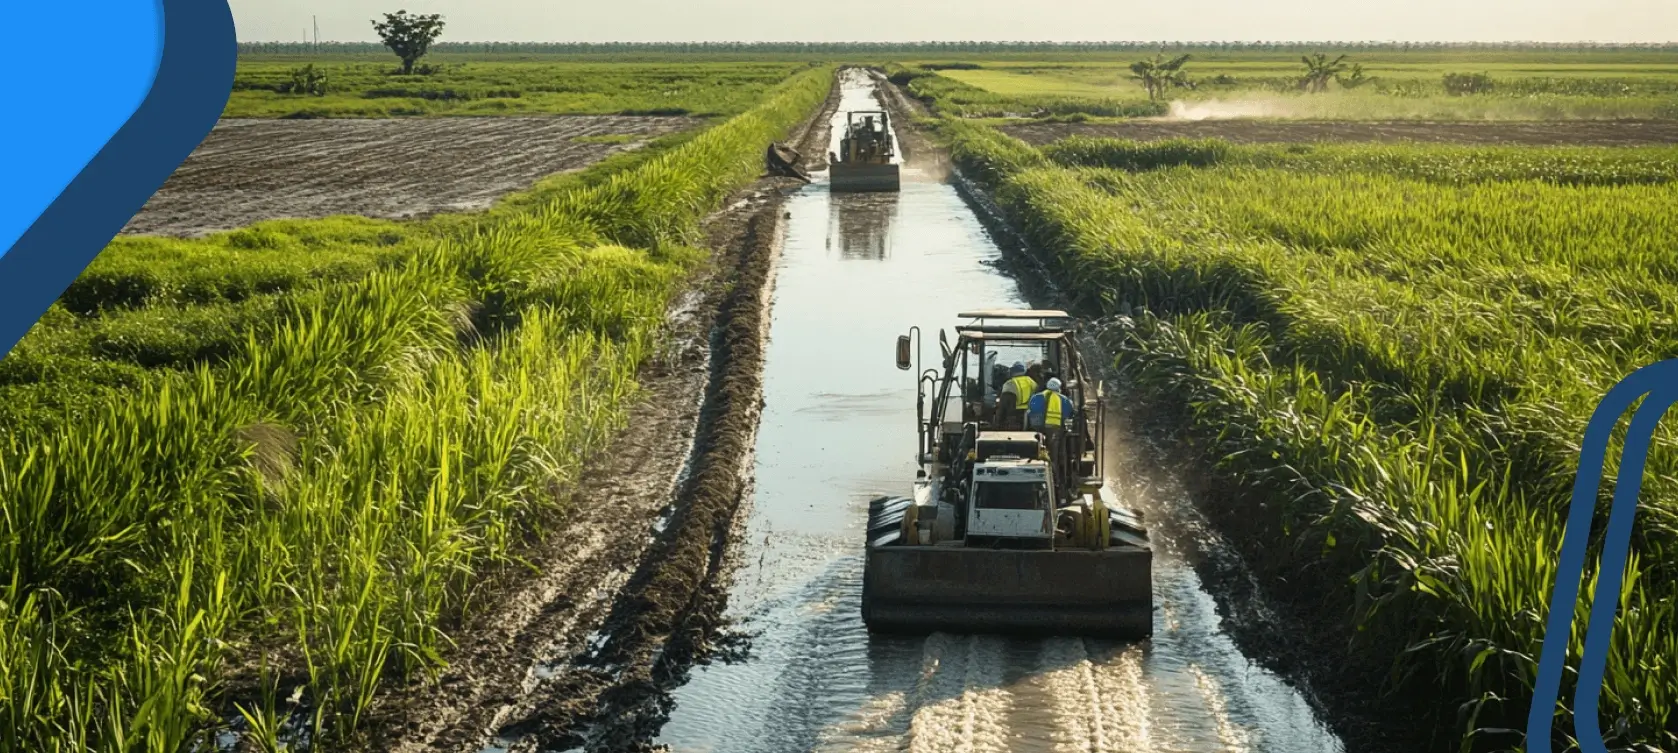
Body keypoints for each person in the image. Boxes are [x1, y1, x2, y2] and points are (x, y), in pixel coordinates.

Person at [1027, 378, 1076, 478]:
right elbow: (1069, 415)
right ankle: (1054, 477)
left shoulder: (1036, 397)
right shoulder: (1065, 400)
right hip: (1054, 431)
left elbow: (1030, 411)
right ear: (1059, 388)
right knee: (1053, 455)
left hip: (1037, 429)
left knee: (1036, 450)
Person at [993, 362, 1038, 430]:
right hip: (1031, 418)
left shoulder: (1009, 384)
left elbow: (1003, 404)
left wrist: (998, 423)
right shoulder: (1032, 382)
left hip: (1014, 418)